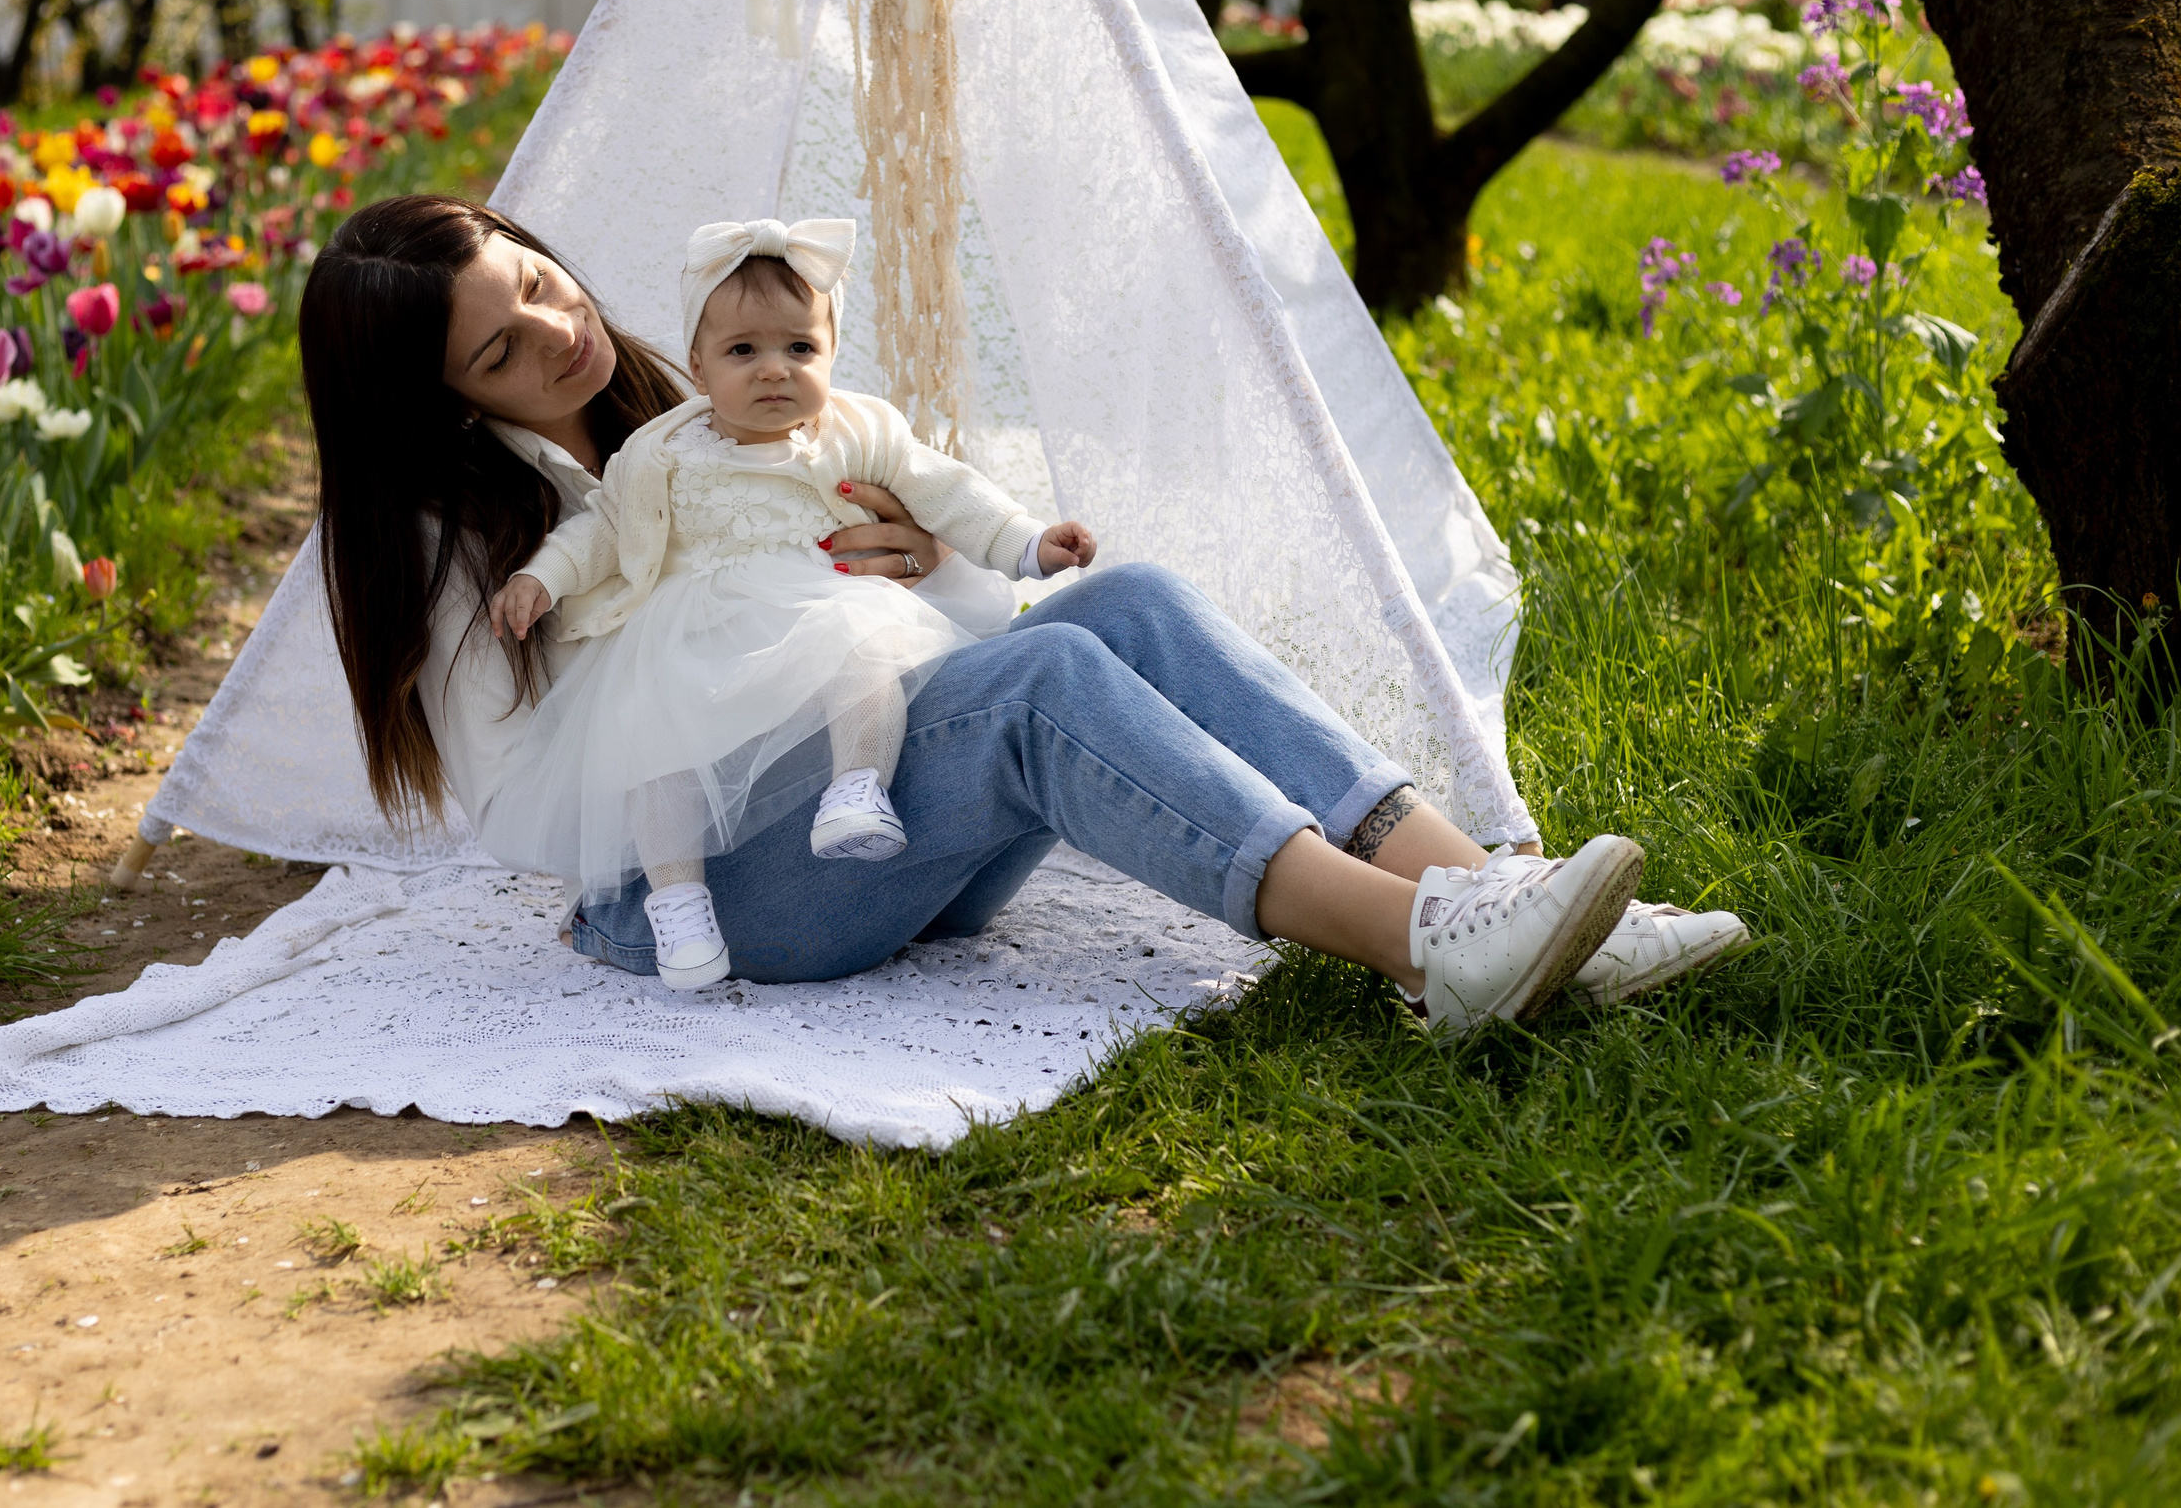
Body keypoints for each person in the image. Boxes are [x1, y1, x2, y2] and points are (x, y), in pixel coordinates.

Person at [301, 196, 1748, 1039]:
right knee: (1043, 682)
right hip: (701, 897)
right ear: (442, 401)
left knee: (1123, 600)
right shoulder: (461, 553)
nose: (556, 330)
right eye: (502, 345)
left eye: (541, 283)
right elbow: (547, 812)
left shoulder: (685, 422)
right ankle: (1431, 951)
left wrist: (922, 558)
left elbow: (889, 620)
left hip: (850, 822)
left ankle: (1497, 887)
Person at [485, 217, 1101, 989]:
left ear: (832, 354)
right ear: (699, 368)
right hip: (697, 639)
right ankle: (677, 908)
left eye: (800, 348)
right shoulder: (663, 450)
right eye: (745, 351)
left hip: (817, 605)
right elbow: (603, 530)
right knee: (651, 748)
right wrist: (543, 577)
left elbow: (947, 492)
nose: (775, 369)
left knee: (864, 649)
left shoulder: (857, 428)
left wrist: (1028, 542)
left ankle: (856, 790)